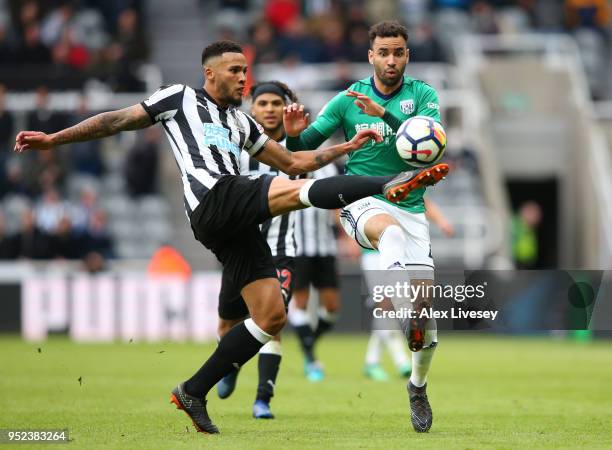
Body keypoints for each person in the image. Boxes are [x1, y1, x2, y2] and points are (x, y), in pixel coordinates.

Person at [14, 40, 448, 434]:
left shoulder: (241, 123)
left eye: (246, 71)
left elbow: (295, 162)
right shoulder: (179, 98)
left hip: (233, 223)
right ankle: (388, 184)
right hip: (212, 197)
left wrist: (348, 149)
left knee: (271, 316)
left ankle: (193, 391)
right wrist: (54, 139)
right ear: (210, 73)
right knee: (298, 195)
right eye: (235, 71)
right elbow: (116, 119)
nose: (244, 78)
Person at [284, 21, 447, 432]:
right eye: (384, 53)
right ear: (370, 56)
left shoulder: (423, 96)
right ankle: (399, 308)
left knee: (425, 321)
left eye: (399, 53)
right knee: (386, 233)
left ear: (407, 55)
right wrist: (292, 136)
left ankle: (417, 386)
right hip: (361, 200)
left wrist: (386, 116)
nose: (391, 60)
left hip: (410, 207)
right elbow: (304, 147)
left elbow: (430, 149)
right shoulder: (347, 99)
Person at [215, 80, 302, 419]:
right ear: (252, 109)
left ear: (285, 108)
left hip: (280, 252)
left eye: (275, 103)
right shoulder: (235, 149)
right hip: (240, 250)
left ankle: (262, 399)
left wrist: (296, 137)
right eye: (262, 103)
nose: (269, 109)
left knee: (272, 323)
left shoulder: (295, 147)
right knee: (227, 326)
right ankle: (232, 363)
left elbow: (303, 170)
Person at [363, 198, 454, 382]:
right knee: (386, 306)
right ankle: (401, 361)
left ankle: (372, 361)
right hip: (375, 252)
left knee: (390, 308)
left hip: (404, 251)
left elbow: (421, 199)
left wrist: (441, 220)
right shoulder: (370, 172)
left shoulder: (402, 175)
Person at [289, 163, 342, 382]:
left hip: (325, 246)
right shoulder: (289, 161)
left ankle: (308, 343)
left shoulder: (330, 168)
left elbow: (338, 205)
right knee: (300, 302)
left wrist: (348, 236)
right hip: (297, 246)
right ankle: (311, 358)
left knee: (332, 307)